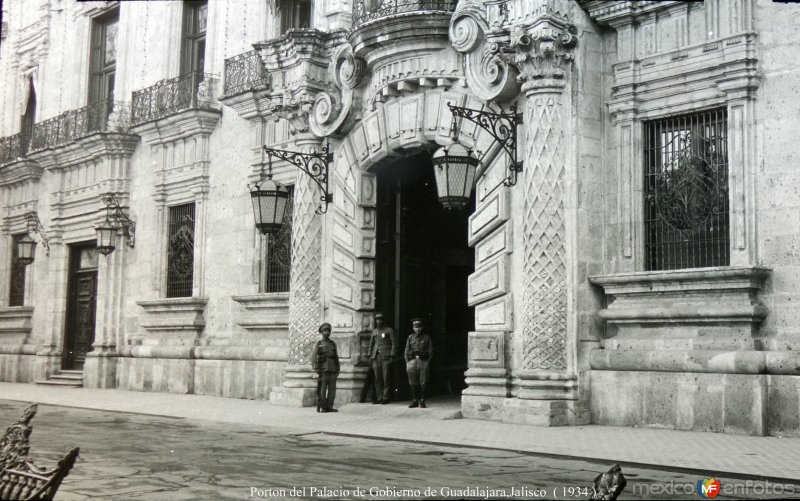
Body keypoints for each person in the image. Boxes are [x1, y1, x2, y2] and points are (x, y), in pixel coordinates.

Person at [368, 312, 397, 404]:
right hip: (376, 357)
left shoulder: (389, 330)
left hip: (386, 357)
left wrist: (392, 355)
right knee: (377, 378)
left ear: (383, 320)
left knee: (386, 378)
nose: (378, 321)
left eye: (380, 319)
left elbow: (394, 344)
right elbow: (371, 344)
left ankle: (385, 397)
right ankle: (379, 397)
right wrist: (370, 355)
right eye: (377, 320)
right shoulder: (374, 331)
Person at [311, 322, 340, 413]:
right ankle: (323, 407)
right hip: (323, 369)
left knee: (332, 390)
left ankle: (329, 406)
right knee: (323, 389)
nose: (327, 332)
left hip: (333, 369)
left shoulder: (333, 344)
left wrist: (338, 368)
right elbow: (313, 357)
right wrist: (316, 369)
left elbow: (336, 357)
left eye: (328, 331)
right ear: (321, 332)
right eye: (325, 331)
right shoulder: (319, 343)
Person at [405, 317, 433, 408]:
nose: (418, 329)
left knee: (423, 382)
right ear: (413, 328)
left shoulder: (426, 338)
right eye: (416, 327)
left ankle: (422, 400)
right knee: (413, 382)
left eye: (419, 326)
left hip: (423, 362)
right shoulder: (410, 337)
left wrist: (427, 363)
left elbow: (430, 352)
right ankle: (414, 400)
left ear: (422, 327)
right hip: (412, 362)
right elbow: (406, 351)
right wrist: (408, 363)